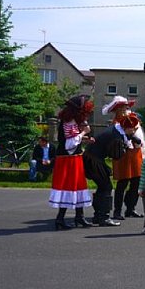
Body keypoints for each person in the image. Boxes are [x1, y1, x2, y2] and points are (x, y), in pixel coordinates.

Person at [83, 115, 139, 227]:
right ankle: (103, 217)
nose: (133, 131)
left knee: (103, 186)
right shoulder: (117, 137)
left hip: (91, 157)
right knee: (106, 186)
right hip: (93, 160)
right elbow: (116, 155)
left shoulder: (116, 129)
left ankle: (98, 215)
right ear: (126, 128)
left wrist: (129, 139)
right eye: (132, 129)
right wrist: (125, 147)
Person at [49, 95, 94, 229]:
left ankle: (79, 216)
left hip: (73, 159)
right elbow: (69, 144)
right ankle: (60, 219)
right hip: (68, 160)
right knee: (68, 187)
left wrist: (84, 139)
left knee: (77, 186)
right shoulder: (68, 123)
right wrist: (83, 133)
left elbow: (72, 140)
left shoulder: (70, 121)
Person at [104, 96, 145, 220]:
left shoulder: (132, 118)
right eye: (122, 107)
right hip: (123, 155)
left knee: (136, 182)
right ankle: (117, 211)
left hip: (136, 154)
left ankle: (131, 208)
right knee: (122, 183)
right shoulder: (116, 123)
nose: (125, 109)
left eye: (126, 107)